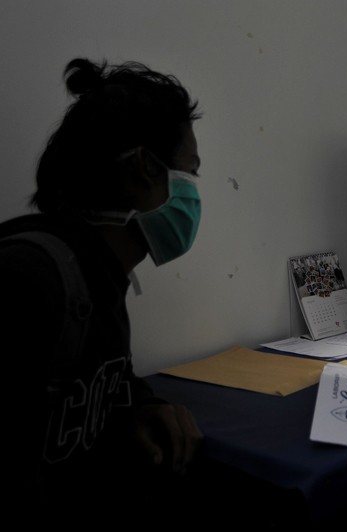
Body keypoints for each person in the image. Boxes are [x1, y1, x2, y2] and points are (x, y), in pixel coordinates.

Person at [0, 58, 302, 525]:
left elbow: (94, 385)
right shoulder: (29, 280)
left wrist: (140, 407)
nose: (192, 195)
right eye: (189, 173)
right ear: (144, 168)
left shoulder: (97, 277)